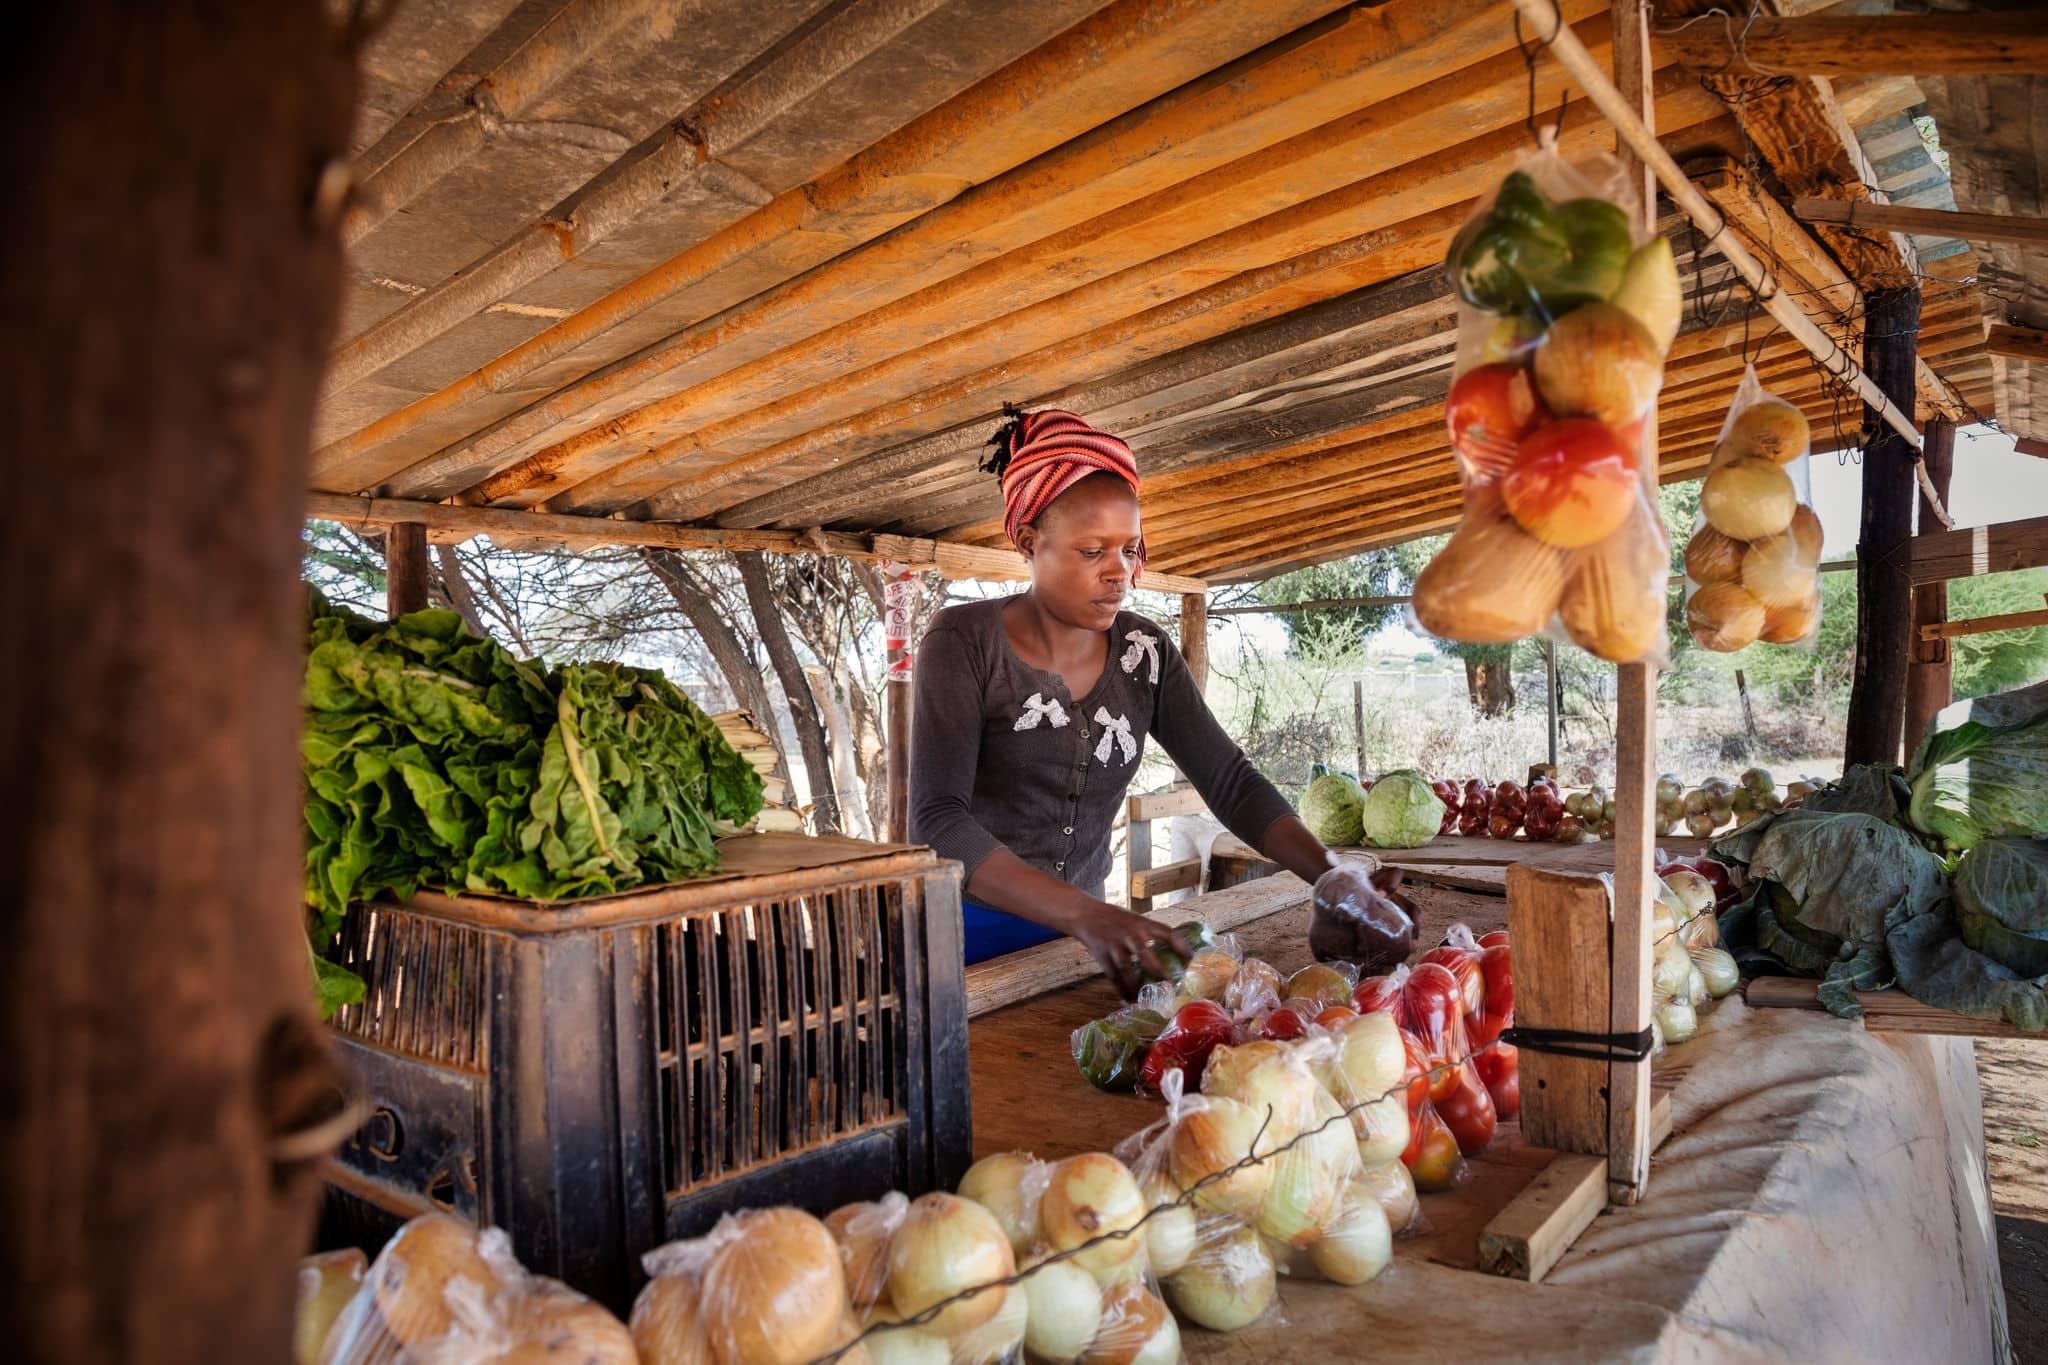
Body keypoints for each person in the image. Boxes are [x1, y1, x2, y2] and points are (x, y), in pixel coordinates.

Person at [908, 408, 1345, 997]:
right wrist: (1089, 915)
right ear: (1030, 543)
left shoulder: (1146, 653)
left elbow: (1231, 782)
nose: (1119, 574)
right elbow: (940, 821)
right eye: (1092, 551)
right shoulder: (964, 642)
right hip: (963, 939)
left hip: (1081, 949)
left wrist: (1332, 877)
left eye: (1129, 551)